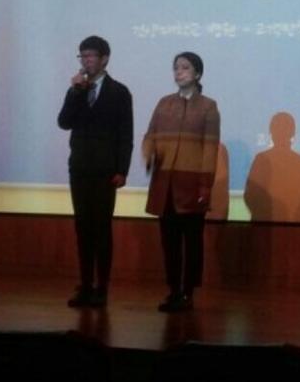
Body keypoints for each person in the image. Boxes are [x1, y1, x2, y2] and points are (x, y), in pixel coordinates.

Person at [58, 35, 133, 308]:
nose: (86, 61)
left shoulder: (119, 92)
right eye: (83, 56)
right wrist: (76, 92)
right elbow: (64, 122)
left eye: (91, 56)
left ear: (104, 59)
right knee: (82, 228)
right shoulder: (76, 89)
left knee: (101, 229)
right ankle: (85, 284)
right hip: (79, 168)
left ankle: (102, 287)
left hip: (105, 171)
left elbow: (125, 134)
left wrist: (122, 169)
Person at [143, 51, 220, 312]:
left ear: (197, 73)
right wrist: (148, 152)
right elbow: (150, 135)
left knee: (193, 242)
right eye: (176, 67)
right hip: (165, 183)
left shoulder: (208, 106)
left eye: (185, 67)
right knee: (170, 243)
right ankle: (173, 289)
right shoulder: (164, 103)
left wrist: (205, 185)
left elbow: (210, 148)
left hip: (192, 184)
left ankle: (188, 292)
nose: (179, 72)